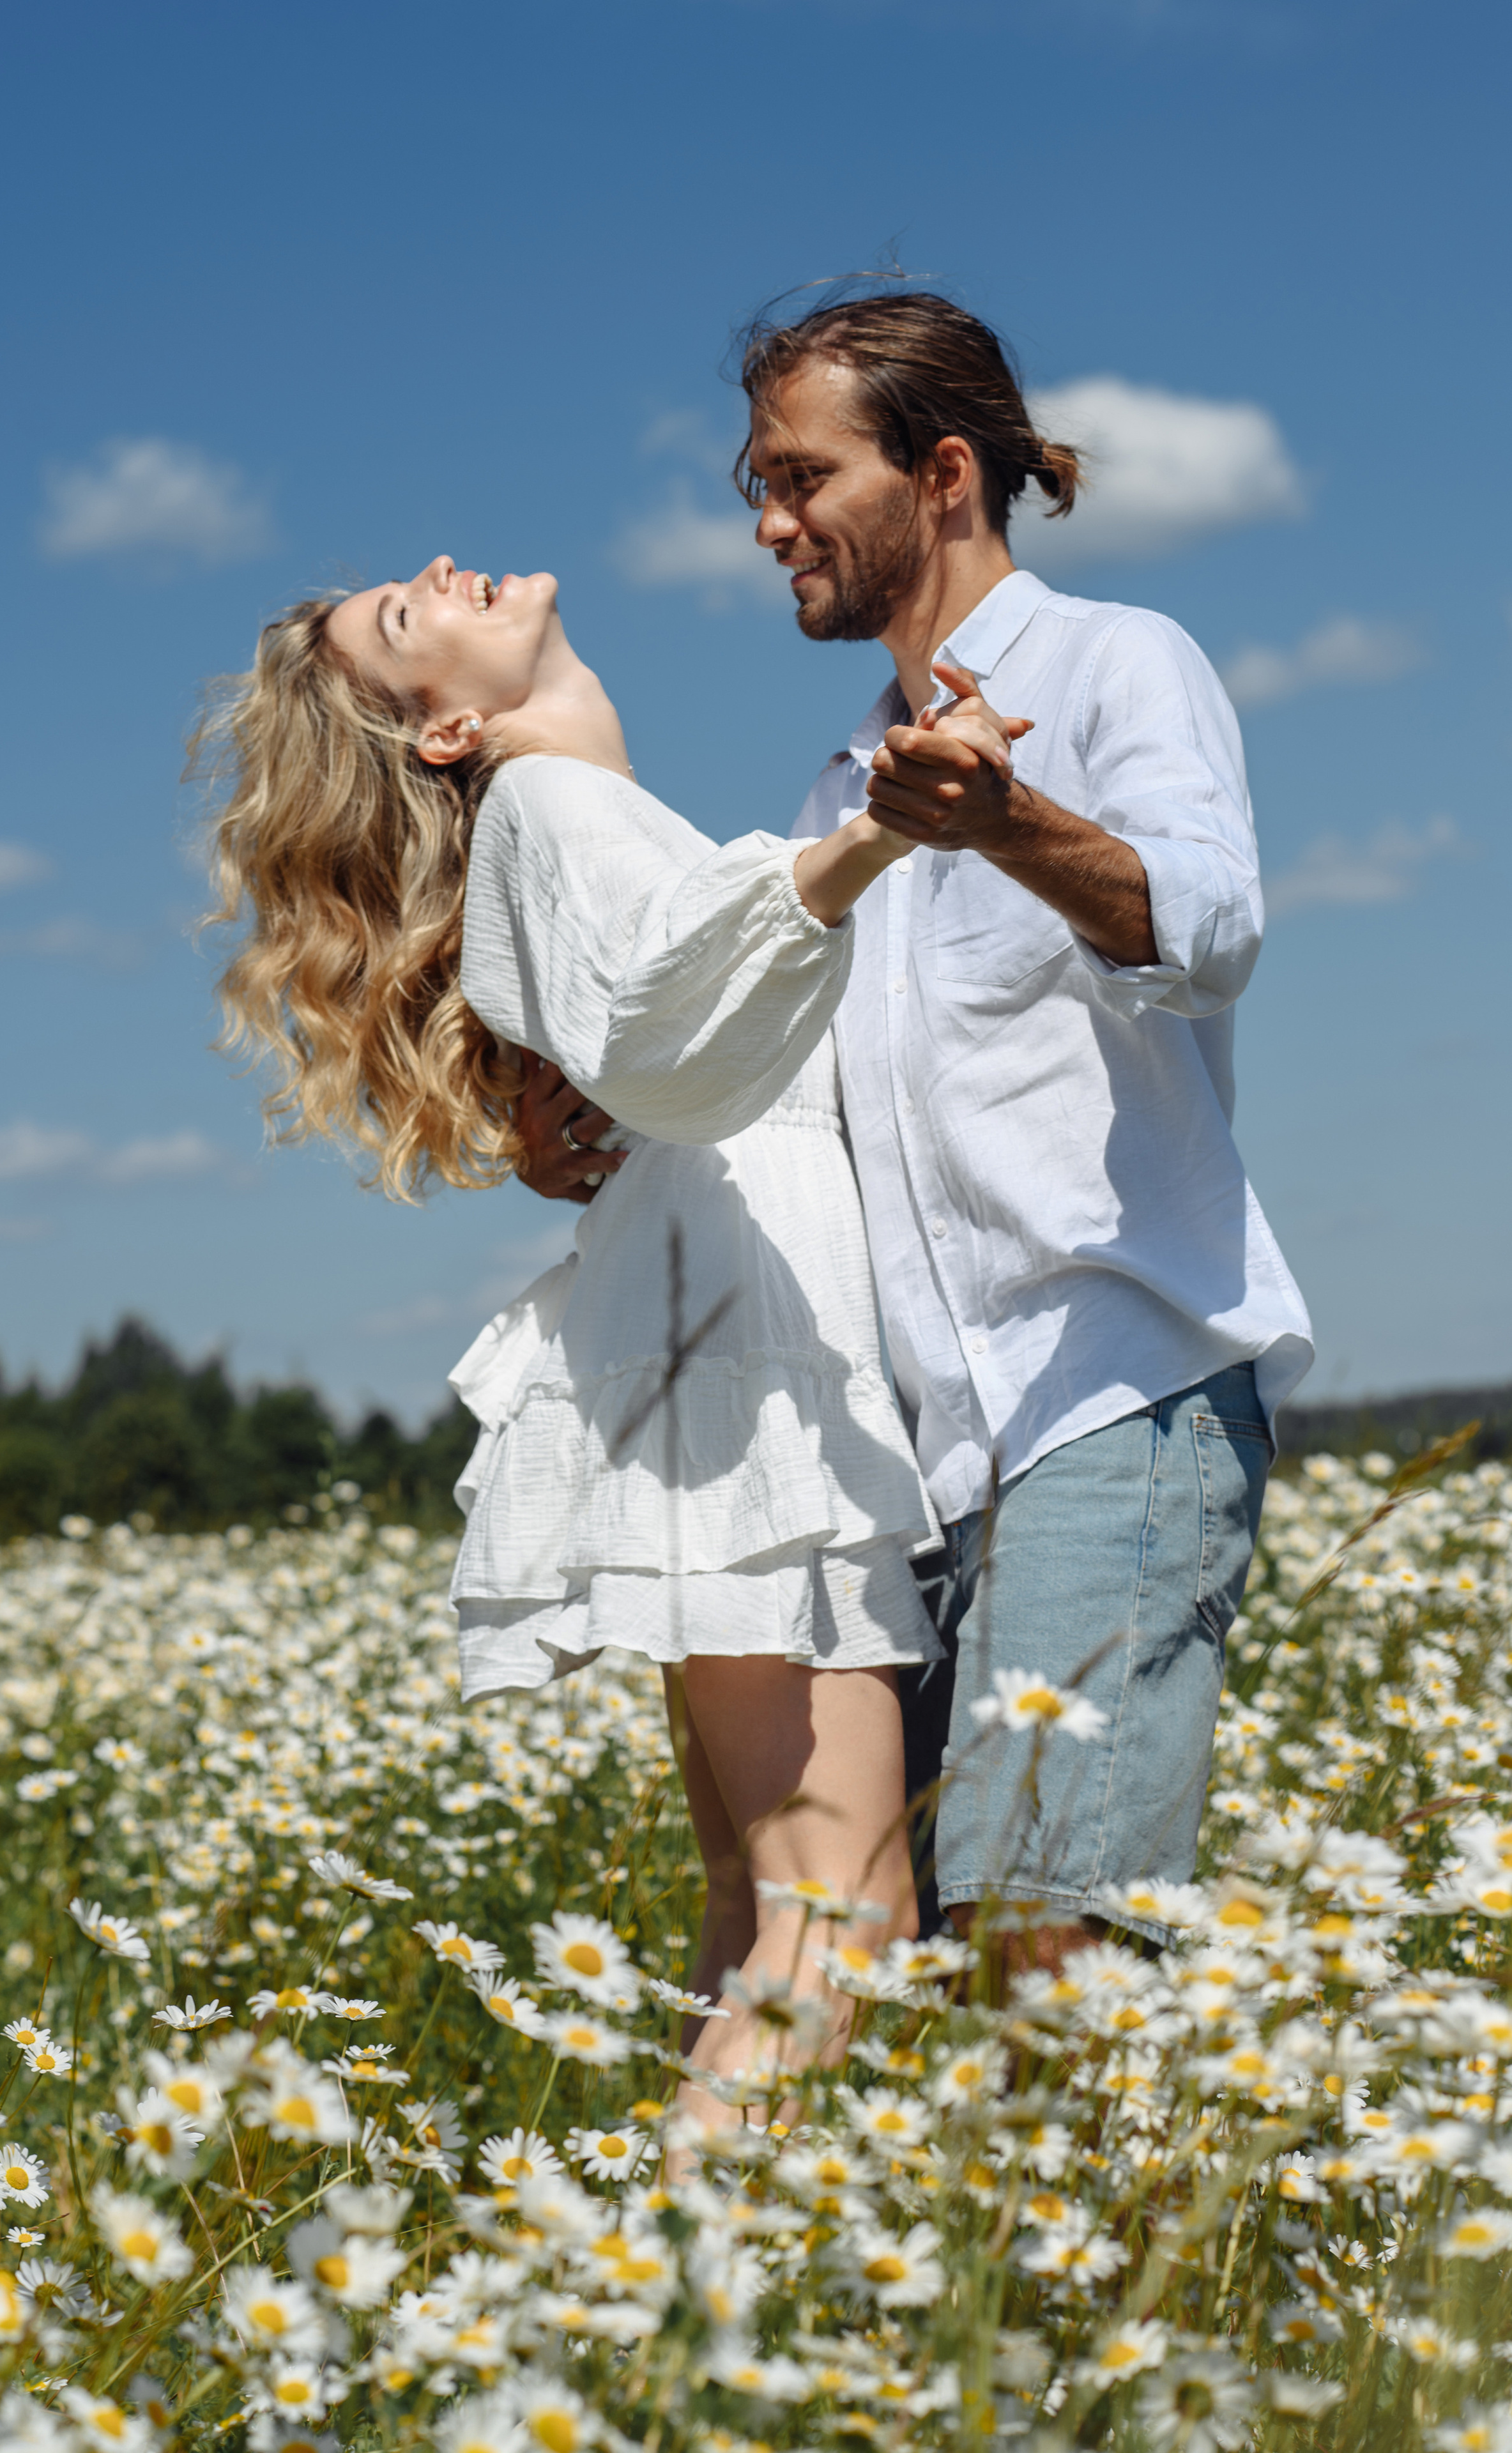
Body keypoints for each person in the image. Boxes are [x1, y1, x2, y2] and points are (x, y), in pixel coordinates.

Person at [520, 291, 1314, 1971]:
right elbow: (782, 1106)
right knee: (937, 1963)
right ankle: (1175, 2234)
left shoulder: (1117, 664)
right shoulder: (837, 801)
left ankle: (1165, 2237)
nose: (769, 524)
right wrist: (603, 1127)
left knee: (1050, 1923)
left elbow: (1214, 917)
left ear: (943, 472)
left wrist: (1010, 818)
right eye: (757, 483)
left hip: (1116, 1388)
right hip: (923, 1464)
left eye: (801, 478)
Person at [197, 553, 1020, 2124]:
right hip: (737, 1356)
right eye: (399, 616)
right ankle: (682, 2332)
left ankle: (660, 2317)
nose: (437, 573)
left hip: (694, 1332)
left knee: (753, 1915)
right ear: (442, 733)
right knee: (838, 1927)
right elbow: (659, 1040)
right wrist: (869, 839)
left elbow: (630, 1027)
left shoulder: (568, 823)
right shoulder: (553, 812)